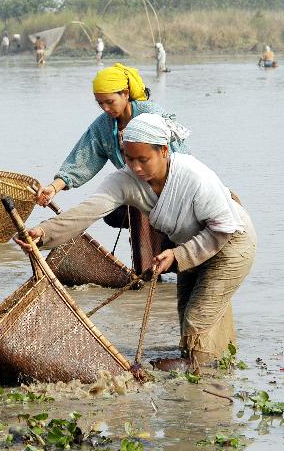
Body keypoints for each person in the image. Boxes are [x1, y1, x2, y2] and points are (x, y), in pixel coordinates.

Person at [19, 113, 256, 369]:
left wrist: (177, 256)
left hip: (232, 244)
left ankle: (203, 382)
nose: (136, 167)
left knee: (198, 319)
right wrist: (44, 233)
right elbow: (88, 211)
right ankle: (212, 366)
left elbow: (223, 229)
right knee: (187, 314)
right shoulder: (124, 181)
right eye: (129, 159)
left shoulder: (194, 176)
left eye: (144, 159)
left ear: (164, 151)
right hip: (189, 245)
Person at [36, 63, 189, 271]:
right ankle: (147, 270)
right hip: (135, 190)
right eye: (100, 104)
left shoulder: (151, 116)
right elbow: (83, 158)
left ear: (125, 94)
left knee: (181, 257)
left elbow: (179, 158)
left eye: (110, 102)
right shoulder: (104, 125)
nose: (106, 109)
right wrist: (54, 187)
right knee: (114, 213)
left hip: (169, 189)